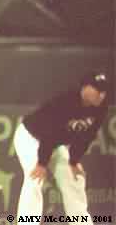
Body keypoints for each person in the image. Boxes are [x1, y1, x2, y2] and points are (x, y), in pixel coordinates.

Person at [14, 70, 109, 225]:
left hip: (54, 144)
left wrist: (73, 160)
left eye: (103, 91)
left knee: (74, 179)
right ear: (85, 88)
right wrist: (42, 163)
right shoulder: (66, 101)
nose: (101, 95)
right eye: (97, 89)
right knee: (35, 179)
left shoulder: (100, 107)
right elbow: (49, 134)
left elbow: (87, 136)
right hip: (30, 138)